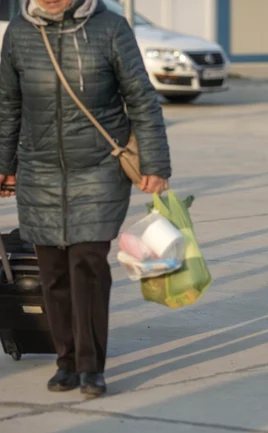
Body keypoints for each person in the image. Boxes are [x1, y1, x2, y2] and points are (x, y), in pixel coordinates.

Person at [0, 0, 171, 396]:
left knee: (88, 264)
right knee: (53, 271)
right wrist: (4, 162)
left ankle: (91, 365)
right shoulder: (20, 32)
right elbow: (8, 103)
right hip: (40, 170)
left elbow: (142, 99)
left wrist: (156, 163)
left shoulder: (110, 27)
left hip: (99, 169)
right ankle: (66, 361)